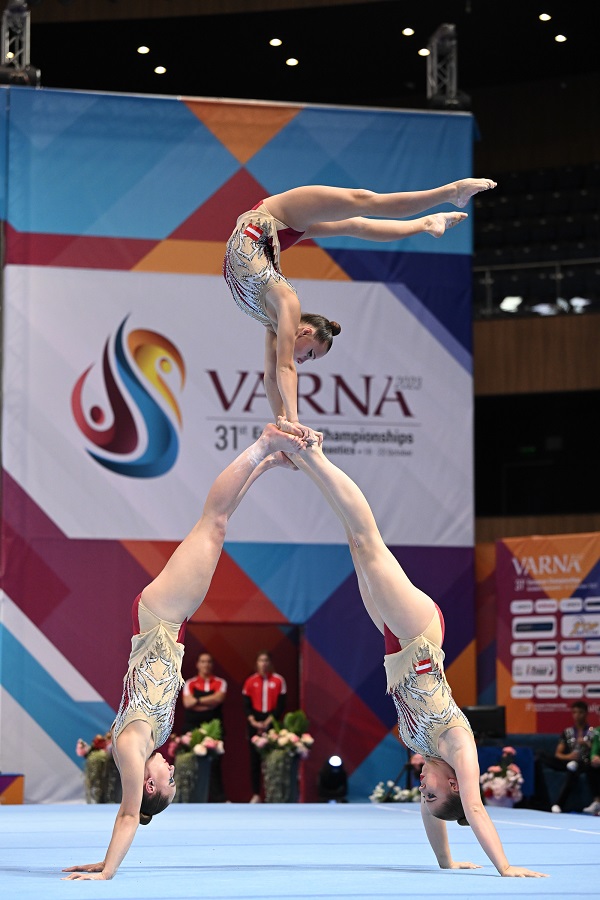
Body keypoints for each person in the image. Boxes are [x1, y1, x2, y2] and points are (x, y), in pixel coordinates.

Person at [285, 433, 546, 877]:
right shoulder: (459, 749)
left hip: (395, 646)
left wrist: (446, 862)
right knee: (369, 542)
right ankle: (314, 456)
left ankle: (307, 465)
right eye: (430, 792)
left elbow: (433, 815)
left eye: (421, 794)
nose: (420, 789)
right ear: (453, 785)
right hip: (420, 636)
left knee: (355, 545)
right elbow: (477, 810)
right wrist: (504, 867)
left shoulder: (428, 756)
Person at [61, 424, 307, 880]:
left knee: (211, 524)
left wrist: (107, 870)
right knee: (216, 526)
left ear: (148, 784)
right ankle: (268, 461)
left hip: (159, 620)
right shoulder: (149, 743)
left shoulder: (132, 749)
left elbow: (128, 816)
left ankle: (264, 444)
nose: (173, 769)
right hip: (168, 626)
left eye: (169, 780)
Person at [223, 177, 497, 445]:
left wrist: (284, 421)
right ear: (305, 330)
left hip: (274, 233)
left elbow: (271, 376)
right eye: (310, 353)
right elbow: (282, 369)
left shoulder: (272, 321)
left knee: (357, 224)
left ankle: (428, 221)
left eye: (309, 357)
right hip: (276, 214)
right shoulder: (287, 302)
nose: (303, 361)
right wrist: (291, 420)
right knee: (361, 202)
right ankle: (450, 192)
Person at [181, 651, 228, 802]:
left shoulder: (220, 682)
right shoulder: (190, 683)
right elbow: (188, 703)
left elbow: (218, 699)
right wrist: (209, 702)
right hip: (192, 728)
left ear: (212, 665)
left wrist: (198, 701)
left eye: (208, 662)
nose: (205, 664)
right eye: (202, 661)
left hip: (213, 729)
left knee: (214, 766)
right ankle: (190, 798)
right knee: (191, 762)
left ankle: (218, 799)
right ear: (197, 664)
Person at [538, 700, 600, 814]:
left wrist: (587, 744)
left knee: (576, 768)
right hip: (568, 760)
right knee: (540, 755)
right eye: (574, 712)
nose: (577, 716)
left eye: (580, 712)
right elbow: (558, 754)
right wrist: (569, 756)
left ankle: (559, 804)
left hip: (585, 763)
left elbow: (596, 750)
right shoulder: (567, 732)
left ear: (586, 713)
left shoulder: (593, 732)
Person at [242, 650, 287, 803]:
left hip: (272, 722)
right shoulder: (250, 681)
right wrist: (253, 721)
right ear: (257, 663)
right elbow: (246, 705)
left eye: (266, 660)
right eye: (261, 660)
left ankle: (273, 792)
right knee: (254, 761)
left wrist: (269, 721)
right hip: (255, 722)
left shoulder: (279, 680)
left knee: (273, 759)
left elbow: (281, 705)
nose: (264, 663)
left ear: (270, 663)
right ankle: (256, 793)